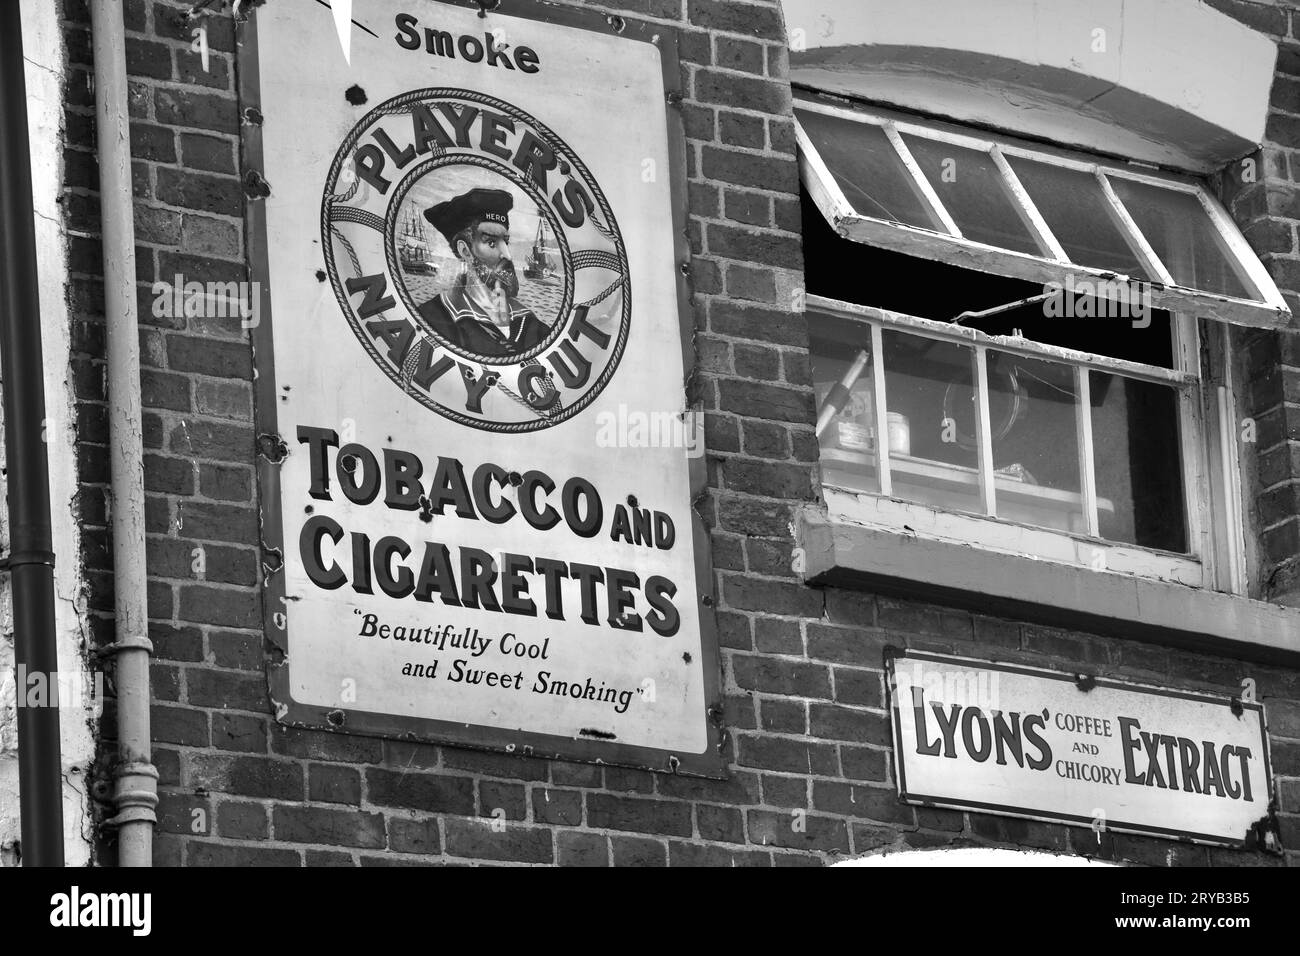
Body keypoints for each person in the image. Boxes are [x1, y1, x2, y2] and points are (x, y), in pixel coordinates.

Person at [417, 186, 550, 357]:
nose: (508, 256)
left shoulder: (530, 323)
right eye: (492, 243)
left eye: (506, 242)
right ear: (465, 251)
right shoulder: (433, 318)